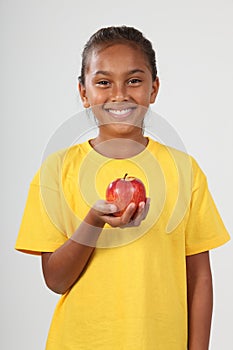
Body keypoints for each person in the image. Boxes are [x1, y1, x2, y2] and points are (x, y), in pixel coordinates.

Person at [15, 26, 230, 350]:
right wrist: (93, 220)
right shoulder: (57, 171)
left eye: (134, 80)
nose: (119, 94)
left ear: (153, 88)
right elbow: (56, 281)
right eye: (103, 82)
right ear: (84, 91)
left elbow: (199, 279)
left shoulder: (184, 170)